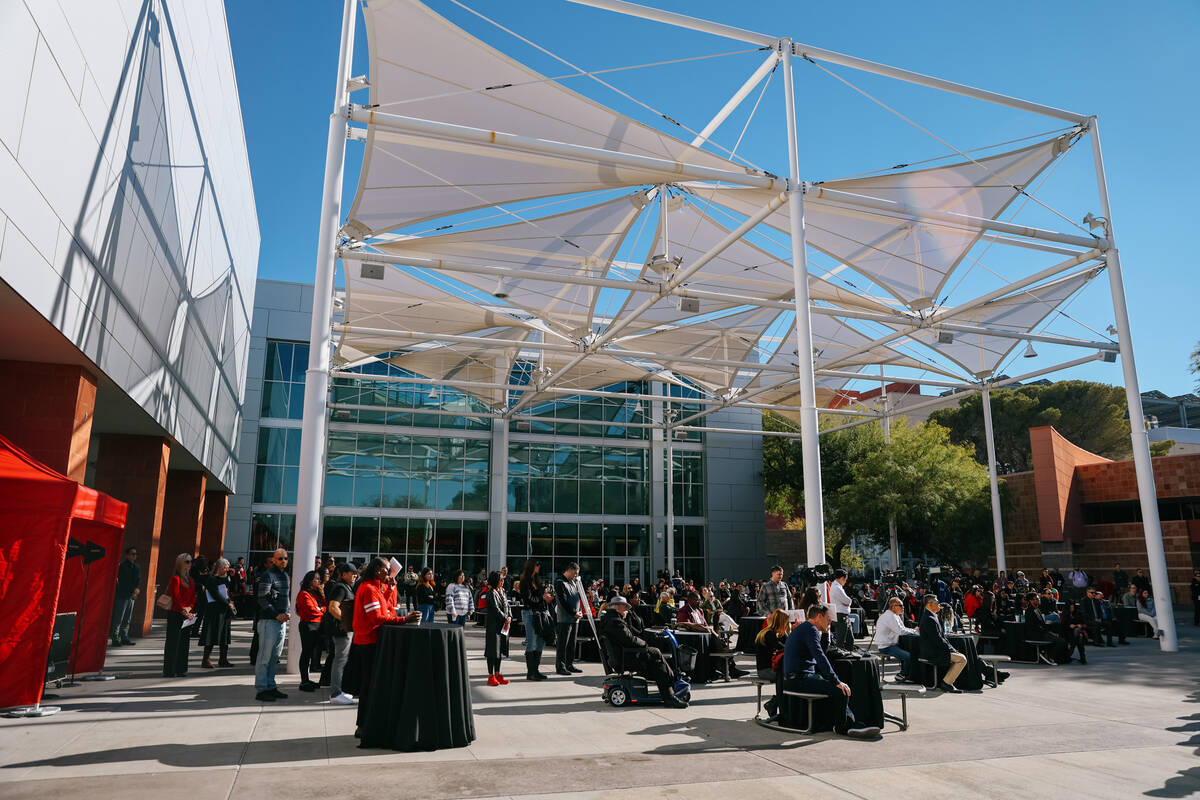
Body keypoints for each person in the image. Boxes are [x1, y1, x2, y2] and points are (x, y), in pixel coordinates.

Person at [779, 603, 879, 737]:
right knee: (840, 689)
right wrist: (836, 680)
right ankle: (844, 726)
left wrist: (826, 633)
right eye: (828, 617)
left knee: (837, 687)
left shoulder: (806, 628)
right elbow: (820, 657)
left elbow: (821, 652)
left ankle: (847, 723)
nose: (830, 620)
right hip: (799, 679)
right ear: (819, 616)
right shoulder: (810, 629)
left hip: (796, 677)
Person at [347, 557, 422, 736]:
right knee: (369, 686)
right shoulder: (370, 589)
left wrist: (392, 587)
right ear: (377, 571)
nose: (390, 573)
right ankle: (363, 725)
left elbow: (388, 607)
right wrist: (404, 619)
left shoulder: (375, 588)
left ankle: (366, 724)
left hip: (371, 641)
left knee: (371, 685)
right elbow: (377, 618)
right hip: (368, 643)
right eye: (387, 570)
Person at [598, 595, 687, 708]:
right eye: (625, 608)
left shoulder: (611, 619)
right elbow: (629, 639)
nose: (627, 610)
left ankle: (670, 680)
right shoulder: (616, 622)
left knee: (655, 653)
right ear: (618, 608)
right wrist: (644, 644)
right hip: (625, 657)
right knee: (656, 656)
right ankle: (668, 695)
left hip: (622, 654)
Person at [254, 548, 291, 702]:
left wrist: (287, 612)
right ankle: (262, 689)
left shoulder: (285, 576)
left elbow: (285, 598)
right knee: (264, 657)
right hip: (269, 621)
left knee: (274, 656)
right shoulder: (268, 575)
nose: (283, 561)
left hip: (281, 621)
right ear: (274, 560)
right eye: (280, 558)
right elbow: (262, 599)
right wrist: (277, 614)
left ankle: (270, 685)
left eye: (285, 558)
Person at [324, 562, 357, 704]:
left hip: (344, 629)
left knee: (342, 660)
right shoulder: (341, 587)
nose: (355, 575)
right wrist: (345, 621)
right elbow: (332, 607)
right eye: (351, 572)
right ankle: (336, 693)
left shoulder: (347, 587)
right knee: (340, 660)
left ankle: (339, 691)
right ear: (343, 574)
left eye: (356, 572)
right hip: (341, 630)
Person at [918, 594, 966, 693]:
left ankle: (947, 682)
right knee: (962, 659)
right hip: (932, 652)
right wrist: (951, 650)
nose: (939, 605)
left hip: (936, 649)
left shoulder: (932, 616)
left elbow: (942, 637)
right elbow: (938, 639)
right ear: (930, 604)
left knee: (960, 656)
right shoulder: (929, 618)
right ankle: (946, 683)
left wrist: (952, 649)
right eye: (937, 602)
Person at [198, 557, 237, 668]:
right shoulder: (211, 579)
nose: (227, 570)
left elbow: (230, 590)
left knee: (224, 635)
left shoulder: (226, 578)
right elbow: (215, 594)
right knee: (211, 634)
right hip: (214, 610)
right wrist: (227, 603)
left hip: (224, 611)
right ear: (220, 568)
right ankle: (205, 659)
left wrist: (232, 577)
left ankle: (223, 659)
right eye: (225, 568)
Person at [163, 553, 196, 678]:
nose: (189, 564)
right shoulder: (175, 579)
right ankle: (169, 670)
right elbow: (176, 596)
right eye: (187, 561)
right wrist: (184, 609)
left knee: (184, 643)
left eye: (190, 561)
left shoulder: (191, 580)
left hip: (186, 615)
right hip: (175, 614)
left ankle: (181, 669)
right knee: (173, 643)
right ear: (180, 563)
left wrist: (189, 608)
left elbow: (193, 597)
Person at [518, 559, 551, 681]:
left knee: (540, 641)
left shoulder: (537, 579)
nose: (539, 567)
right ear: (532, 566)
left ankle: (535, 670)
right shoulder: (524, 581)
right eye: (537, 565)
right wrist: (541, 596)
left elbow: (538, 597)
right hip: (530, 613)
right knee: (531, 641)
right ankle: (531, 672)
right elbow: (528, 599)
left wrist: (545, 597)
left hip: (540, 613)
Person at [873, 596, 917, 683]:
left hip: (891, 644)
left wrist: (914, 631)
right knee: (908, 656)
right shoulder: (890, 616)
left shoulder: (894, 615)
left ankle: (909, 675)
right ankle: (902, 675)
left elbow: (902, 628)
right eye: (900, 605)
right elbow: (900, 631)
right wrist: (915, 631)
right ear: (893, 607)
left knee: (912, 651)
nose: (903, 607)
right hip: (886, 646)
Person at [295, 570, 326, 692]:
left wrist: (321, 608)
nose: (318, 581)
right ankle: (304, 681)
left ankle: (307, 680)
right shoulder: (304, 594)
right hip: (308, 625)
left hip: (317, 625)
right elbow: (312, 611)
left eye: (319, 579)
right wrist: (322, 610)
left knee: (312, 653)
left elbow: (324, 605)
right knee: (306, 653)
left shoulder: (316, 594)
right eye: (316, 579)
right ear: (309, 580)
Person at [554, 562, 584, 675]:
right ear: (570, 570)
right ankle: (560, 666)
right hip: (565, 618)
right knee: (563, 644)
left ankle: (569, 664)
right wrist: (573, 612)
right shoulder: (560, 582)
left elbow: (576, 598)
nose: (576, 576)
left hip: (575, 618)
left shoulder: (573, 582)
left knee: (572, 643)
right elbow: (563, 600)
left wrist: (579, 611)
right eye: (575, 573)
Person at [484, 570, 512, 686]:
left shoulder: (501, 591)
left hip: (502, 626)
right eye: (501, 579)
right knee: (492, 652)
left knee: (499, 651)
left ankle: (497, 674)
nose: (503, 581)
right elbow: (495, 609)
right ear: (495, 580)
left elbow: (507, 605)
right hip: (493, 626)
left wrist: (509, 616)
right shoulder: (491, 593)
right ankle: (491, 676)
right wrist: (505, 617)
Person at [110, 546, 141, 647]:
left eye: (135, 554)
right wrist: (133, 590)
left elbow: (137, 580)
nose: (134, 556)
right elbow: (123, 582)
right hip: (122, 595)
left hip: (131, 596)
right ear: (127, 555)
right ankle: (115, 638)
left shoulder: (137, 567)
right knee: (118, 618)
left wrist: (136, 590)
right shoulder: (122, 566)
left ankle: (124, 637)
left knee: (127, 618)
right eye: (132, 554)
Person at [1060, 599, 1088, 664]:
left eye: (1073, 607)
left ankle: (1069, 655)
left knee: (1078, 633)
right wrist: (1069, 625)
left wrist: (1080, 625)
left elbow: (1084, 623)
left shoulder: (1078, 613)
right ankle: (1082, 658)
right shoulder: (1065, 614)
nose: (1072, 609)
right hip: (1067, 632)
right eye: (1070, 607)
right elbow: (1063, 625)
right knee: (1079, 637)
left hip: (1076, 632)